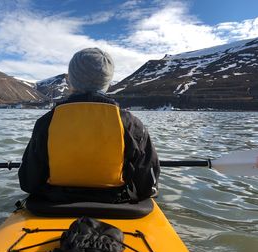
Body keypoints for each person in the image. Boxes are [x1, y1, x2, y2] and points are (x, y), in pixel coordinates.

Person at [18, 47, 160, 203]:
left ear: (71, 80)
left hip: (53, 204)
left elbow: (28, 182)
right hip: (116, 204)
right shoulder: (131, 124)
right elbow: (147, 187)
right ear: (107, 82)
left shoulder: (46, 122)